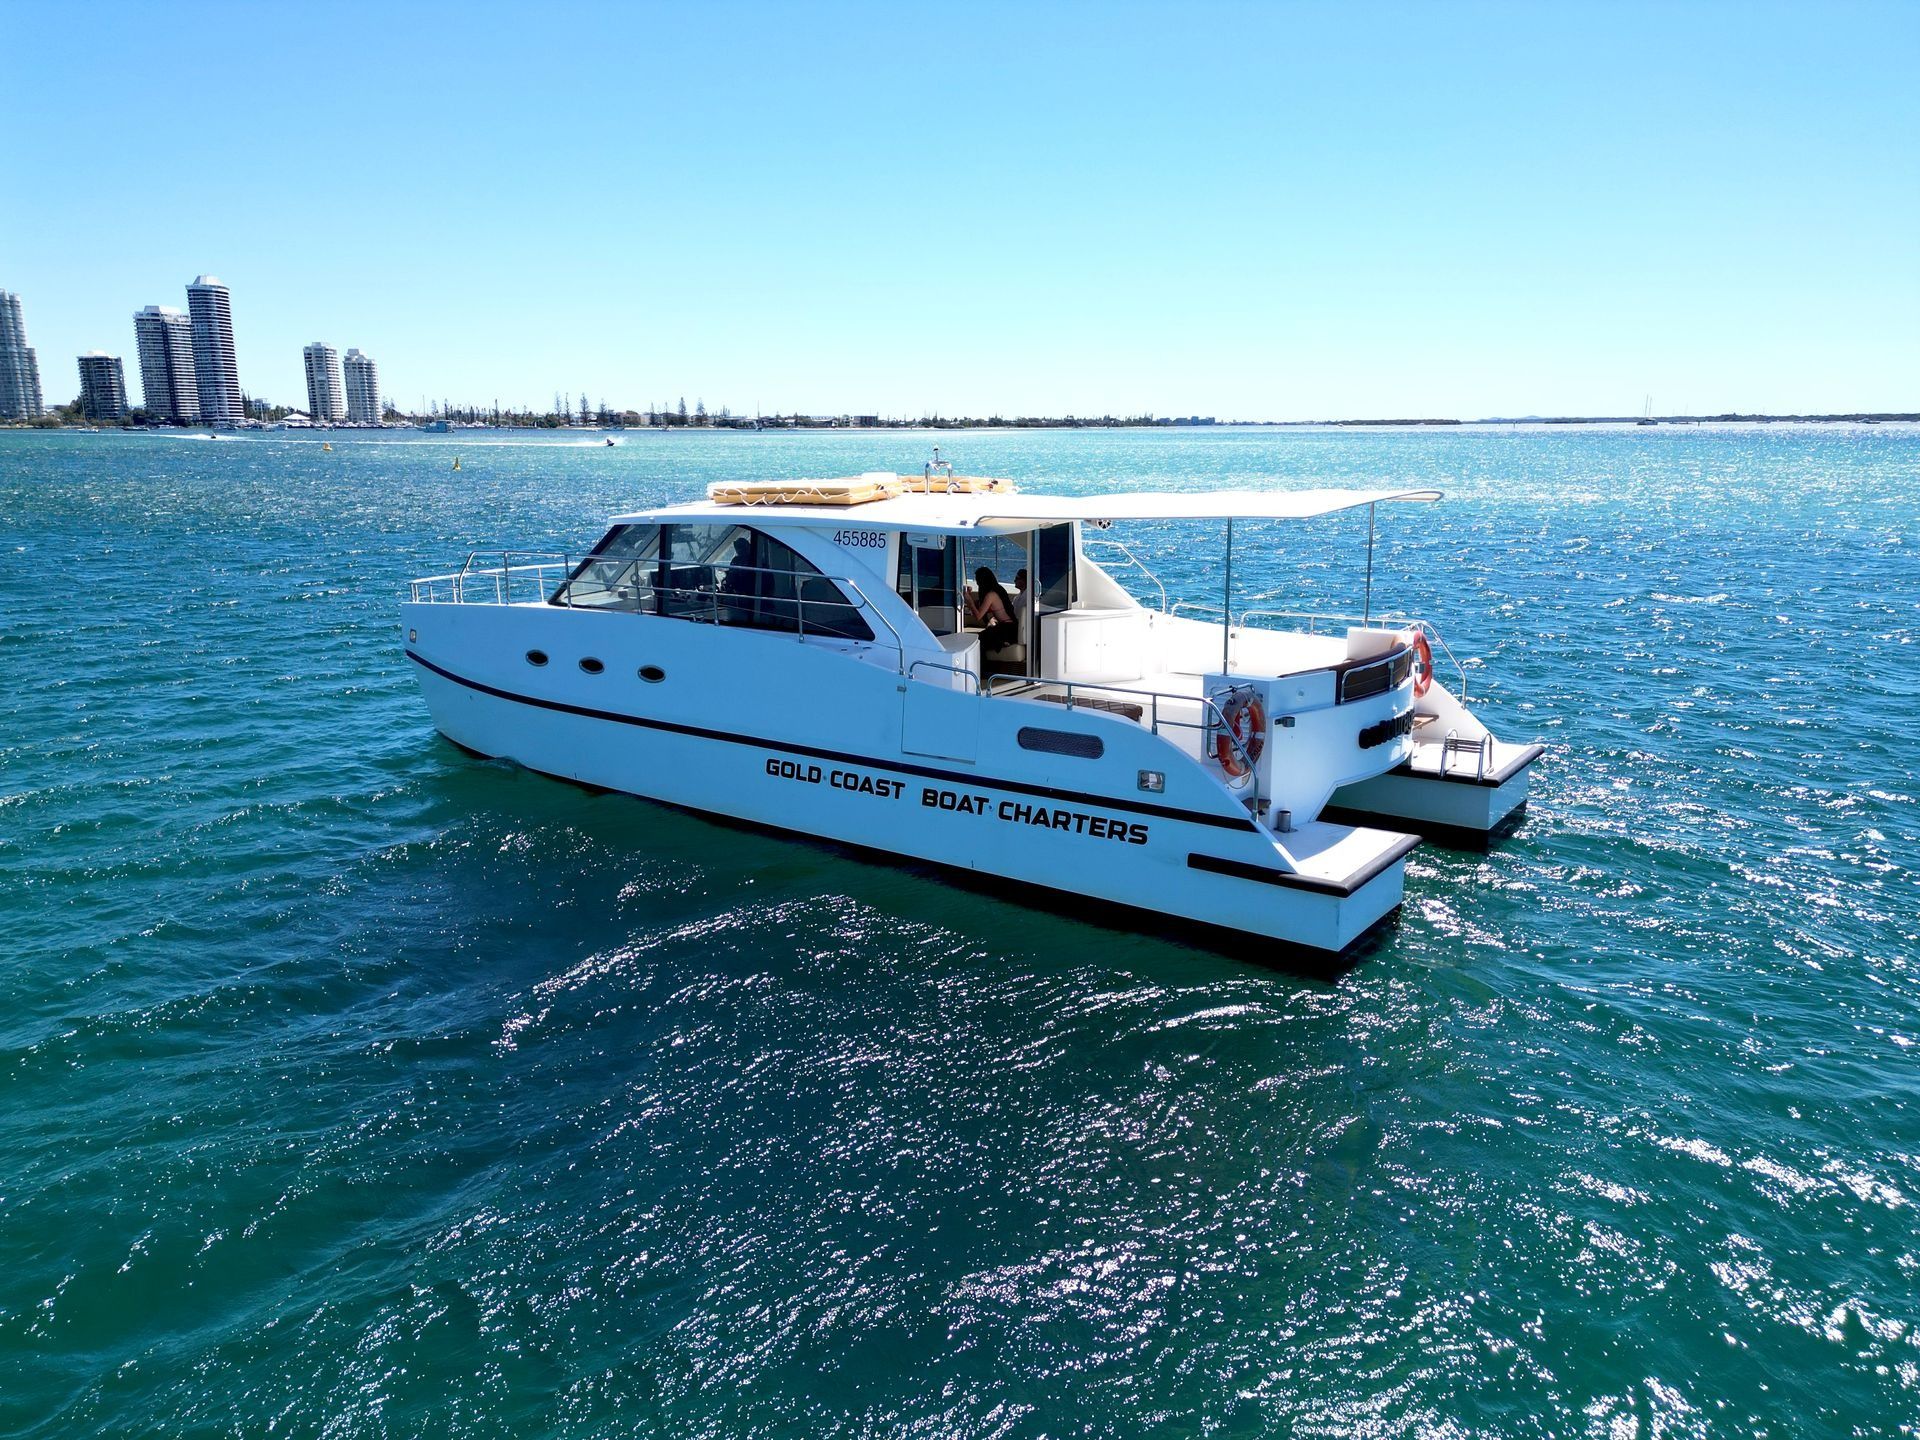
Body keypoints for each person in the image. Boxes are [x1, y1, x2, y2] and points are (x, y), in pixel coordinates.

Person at [967, 566, 1017, 651]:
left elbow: (978, 616)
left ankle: (981, 664)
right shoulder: (998, 590)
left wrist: (969, 601)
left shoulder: (991, 595)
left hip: (1007, 629)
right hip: (1011, 628)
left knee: (977, 641)